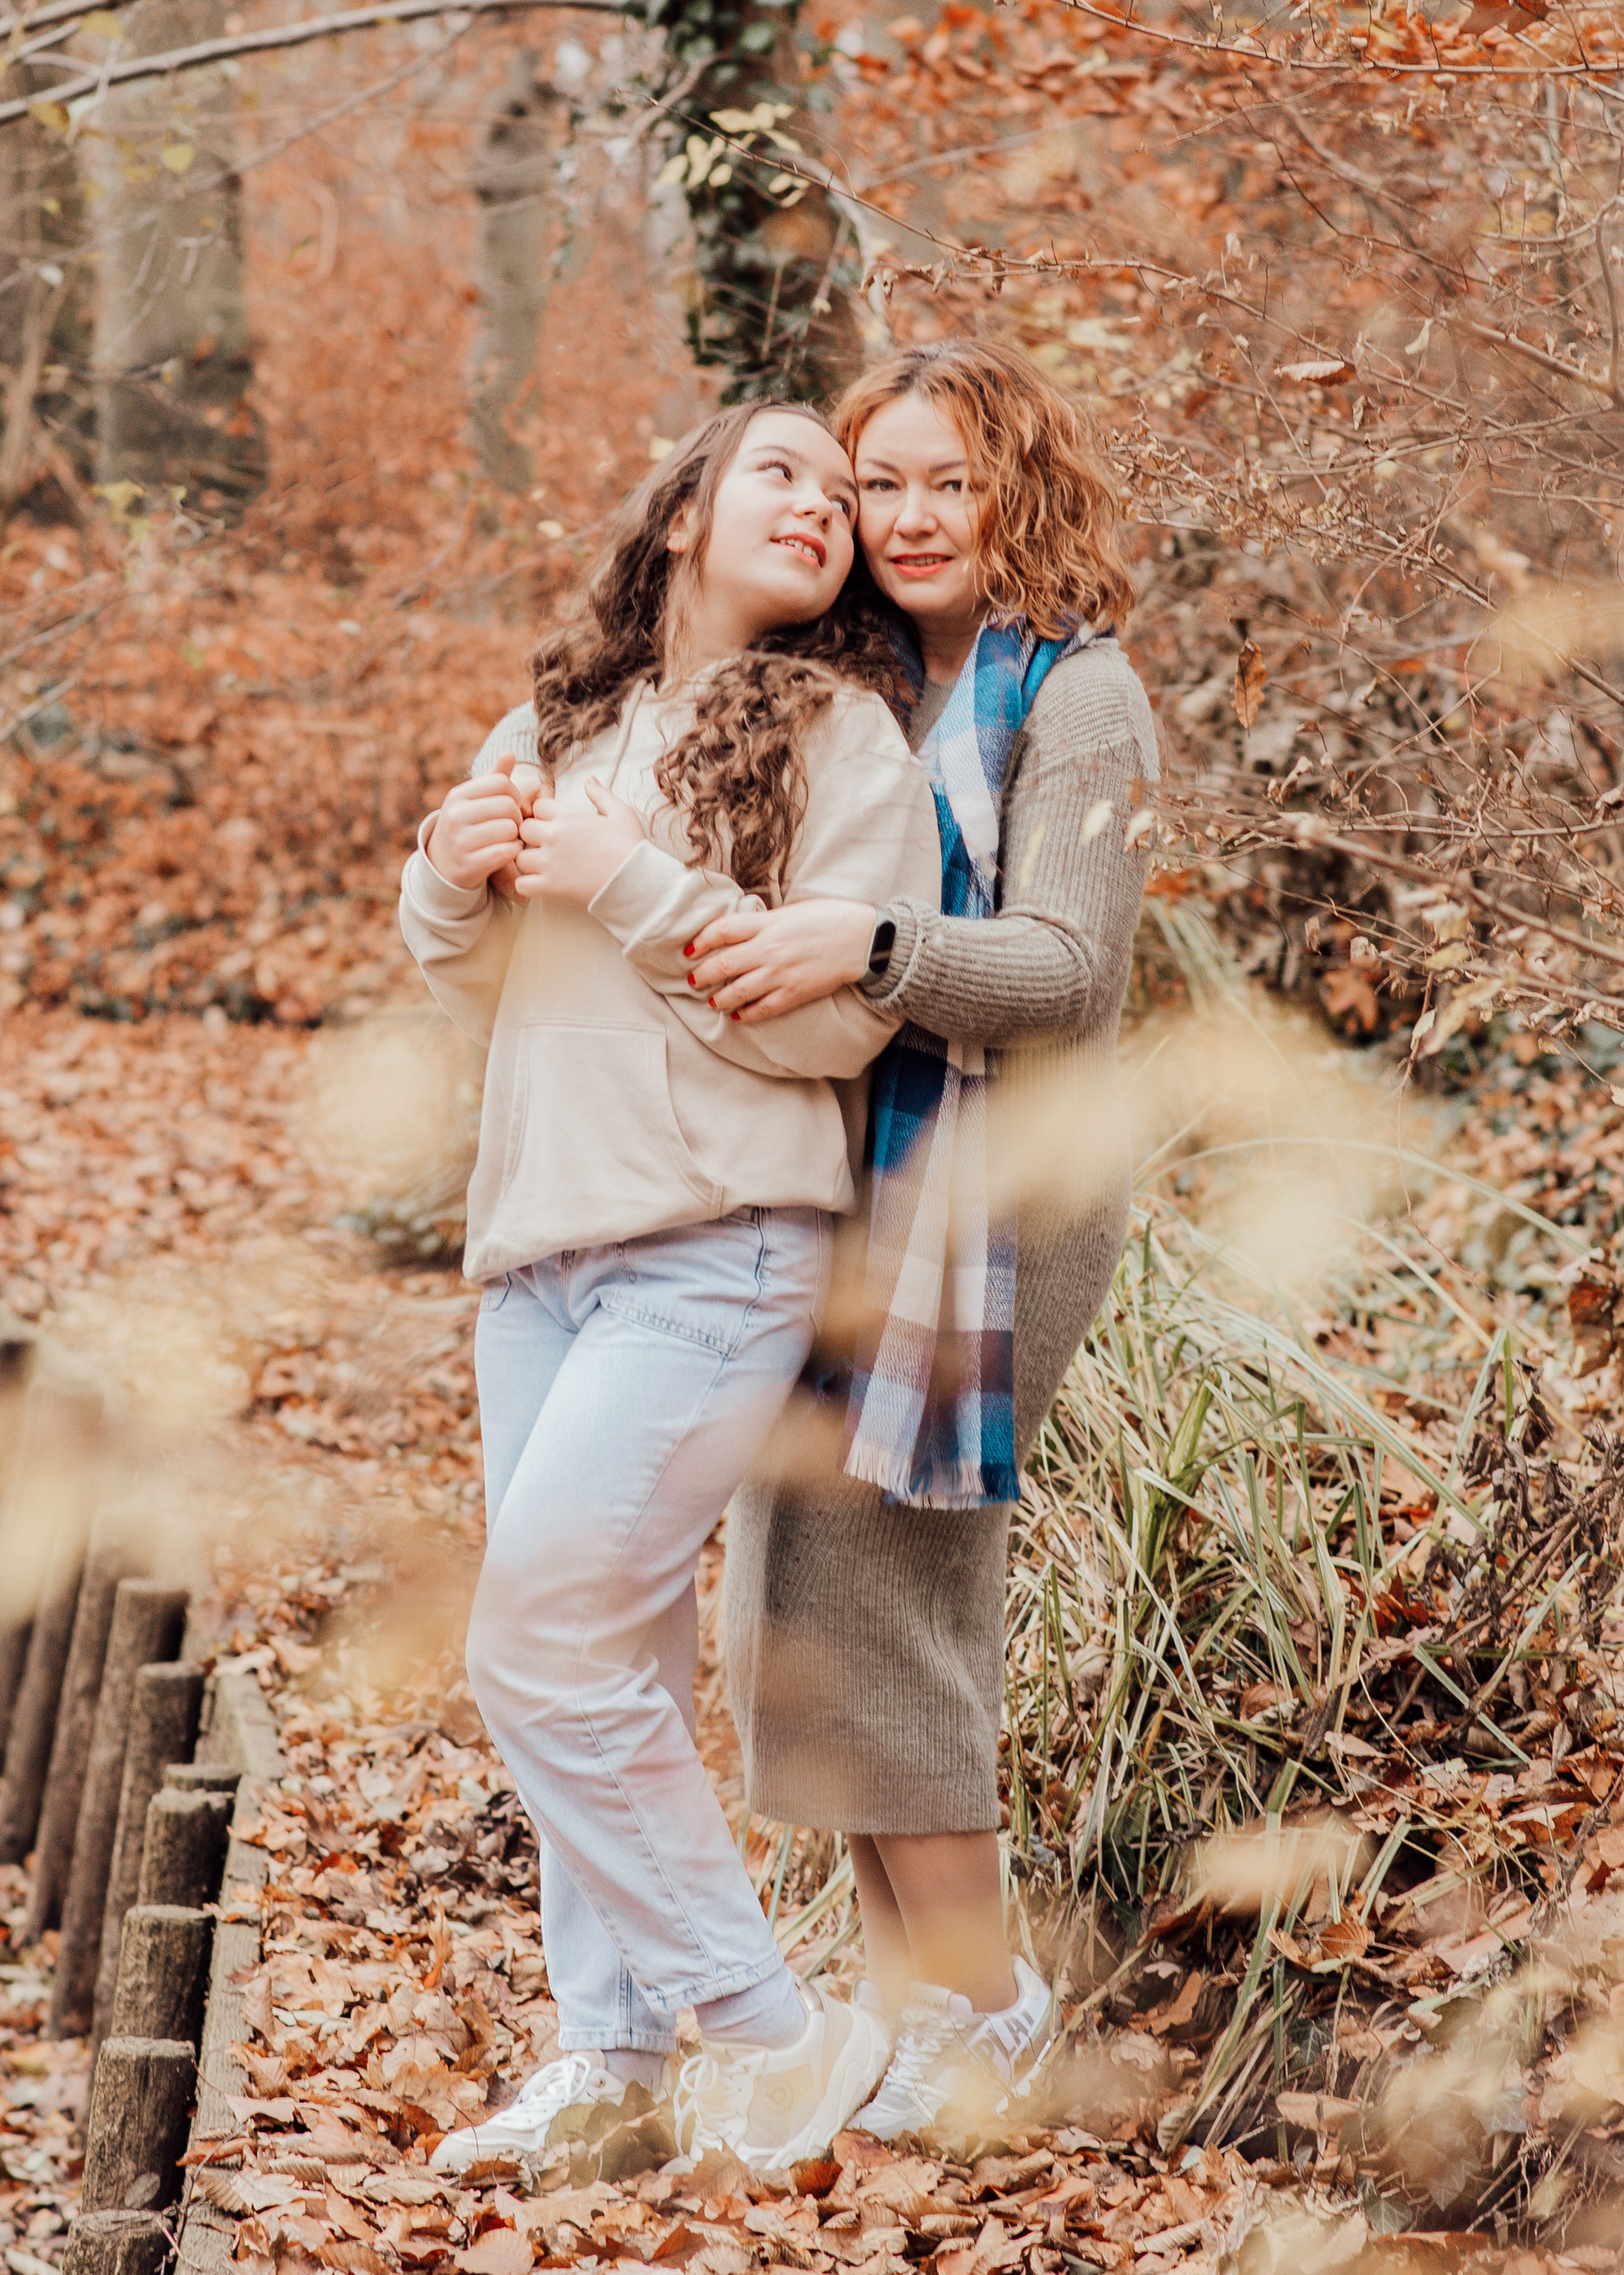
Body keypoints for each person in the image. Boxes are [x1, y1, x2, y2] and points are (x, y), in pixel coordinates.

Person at [399, 400, 936, 2175]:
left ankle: (772, 2033)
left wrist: (622, 878)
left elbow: (837, 1019)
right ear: (687, 510)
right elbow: (482, 984)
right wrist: (451, 874)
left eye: (844, 495)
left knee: (536, 1639)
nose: (823, 503)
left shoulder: (842, 738)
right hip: (533, 1258)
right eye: (781, 469)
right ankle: (610, 2062)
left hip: (717, 1244)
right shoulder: (558, 721)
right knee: (601, 1652)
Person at [692, 341, 1158, 2137]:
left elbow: (1067, 968)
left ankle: (991, 2005)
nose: (901, 517)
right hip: (860, 1166)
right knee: (806, 1584)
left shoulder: (1077, 692)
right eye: (876, 483)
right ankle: (909, 2003)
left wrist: (866, 951)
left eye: (939, 481)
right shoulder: (857, 678)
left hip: (1002, 1187)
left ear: (1012, 485)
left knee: (897, 1589)